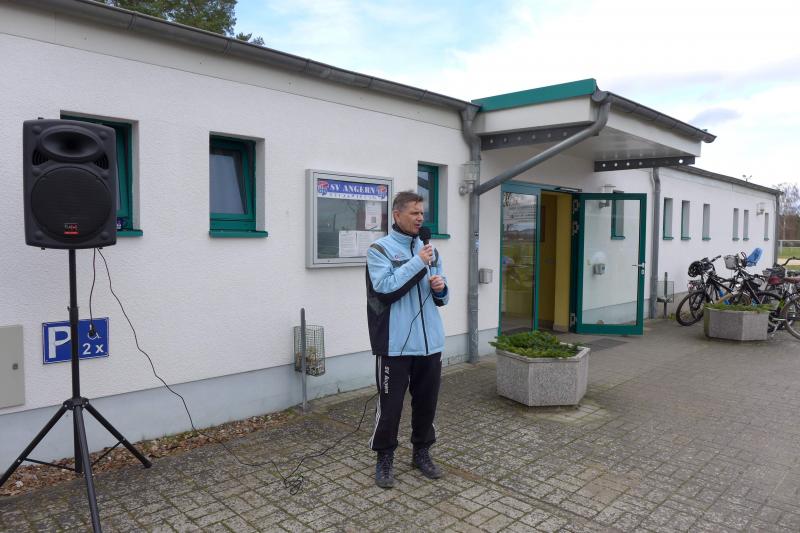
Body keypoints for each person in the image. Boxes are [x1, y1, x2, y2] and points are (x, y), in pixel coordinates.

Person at [365, 190, 448, 489]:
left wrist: (440, 287)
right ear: (397, 214)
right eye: (414, 212)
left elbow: (442, 298)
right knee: (391, 407)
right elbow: (384, 289)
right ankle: (384, 457)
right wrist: (416, 262)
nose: (420, 218)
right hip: (395, 344)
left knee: (426, 404)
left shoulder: (430, 250)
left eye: (422, 213)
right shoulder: (379, 249)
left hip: (429, 344)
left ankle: (421, 452)